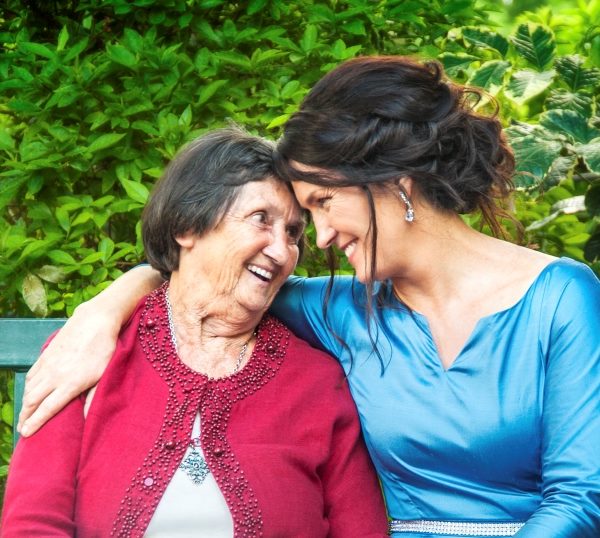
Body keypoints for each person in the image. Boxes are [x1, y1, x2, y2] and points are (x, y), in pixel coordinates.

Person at [15, 57, 600, 537]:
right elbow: (207, 282)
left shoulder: (561, 298)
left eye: (318, 207)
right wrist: (105, 309)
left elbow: (582, 497)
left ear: (392, 183)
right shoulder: (341, 310)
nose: (313, 240)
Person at [1, 128, 389, 537]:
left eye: (293, 233)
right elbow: (33, 523)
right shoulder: (88, 351)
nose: (281, 251)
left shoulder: (316, 382)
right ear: (187, 225)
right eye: (261, 219)